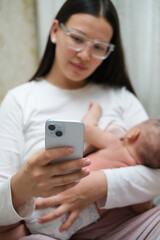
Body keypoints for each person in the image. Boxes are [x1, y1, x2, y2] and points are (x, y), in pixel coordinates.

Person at [1, 0, 160, 239]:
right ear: (55, 31)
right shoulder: (20, 100)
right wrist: (23, 183)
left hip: (124, 228)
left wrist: (100, 185)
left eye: (99, 47)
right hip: (48, 228)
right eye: (77, 39)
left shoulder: (121, 98)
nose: (85, 55)